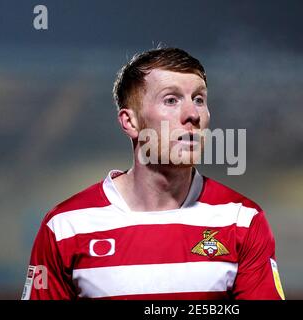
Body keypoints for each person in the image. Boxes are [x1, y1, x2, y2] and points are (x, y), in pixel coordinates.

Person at [21, 47, 285, 300]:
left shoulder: (242, 220)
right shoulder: (65, 226)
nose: (192, 114)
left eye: (199, 99)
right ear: (130, 122)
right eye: (171, 99)